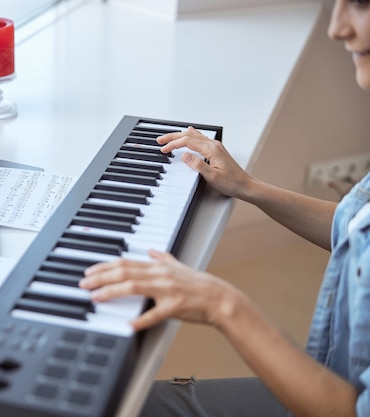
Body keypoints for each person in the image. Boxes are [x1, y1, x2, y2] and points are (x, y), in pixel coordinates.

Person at [78, 1, 370, 416]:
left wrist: (223, 305)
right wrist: (249, 188)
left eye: (359, 4)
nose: (336, 28)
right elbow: (354, 224)